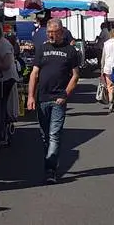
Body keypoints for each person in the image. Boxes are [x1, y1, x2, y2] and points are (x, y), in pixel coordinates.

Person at [26, 18, 81, 183]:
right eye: (48, 32)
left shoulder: (70, 51)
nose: (50, 35)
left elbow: (76, 75)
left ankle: (50, 170)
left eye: (54, 33)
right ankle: (51, 161)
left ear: (61, 32)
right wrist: (30, 96)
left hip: (58, 99)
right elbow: (34, 74)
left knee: (54, 134)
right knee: (45, 135)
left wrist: (65, 94)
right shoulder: (42, 49)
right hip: (42, 97)